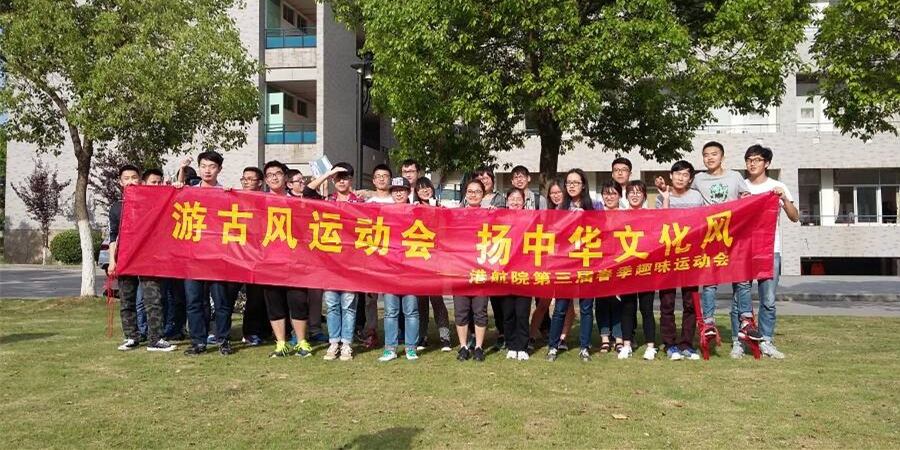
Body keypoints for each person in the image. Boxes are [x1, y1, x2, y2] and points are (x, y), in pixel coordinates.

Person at [691, 141, 760, 359]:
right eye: (706, 155)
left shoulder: (735, 177)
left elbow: (747, 200)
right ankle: (709, 322)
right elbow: (690, 203)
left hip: (735, 237)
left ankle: (746, 320)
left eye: (714, 154)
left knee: (742, 281)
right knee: (709, 282)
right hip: (711, 238)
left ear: (722, 157)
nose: (710, 158)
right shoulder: (698, 179)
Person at [108, 165, 176, 353]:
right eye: (126, 178)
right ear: (120, 182)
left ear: (140, 180)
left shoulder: (153, 203)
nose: (131, 181)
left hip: (148, 258)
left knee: (153, 299)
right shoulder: (116, 208)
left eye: (134, 177)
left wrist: (174, 186)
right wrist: (113, 261)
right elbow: (113, 236)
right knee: (127, 300)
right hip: (125, 258)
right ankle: (131, 336)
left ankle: (156, 339)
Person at [743, 145, 799, 359]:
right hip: (745, 250)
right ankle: (742, 339)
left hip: (770, 250)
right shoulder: (741, 186)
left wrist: (783, 198)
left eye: (757, 159)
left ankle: (766, 340)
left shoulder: (777, 186)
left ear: (766, 163)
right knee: (741, 299)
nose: (753, 163)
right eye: (749, 159)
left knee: (768, 299)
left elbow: (794, 217)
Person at [304, 163, 363, 361]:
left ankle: (346, 344)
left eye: (345, 177)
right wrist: (328, 173)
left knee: (348, 305)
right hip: (329, 264)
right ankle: (334, 342)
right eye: (337, 178)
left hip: (351, 263)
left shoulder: (360, 203)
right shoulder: (327, 201)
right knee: (331, 305)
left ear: (351, 179)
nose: (341, 181)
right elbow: (307, 192)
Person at [179, 151, 235, 356]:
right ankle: (198, 341)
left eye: (212, 166)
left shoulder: (225, 193)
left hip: (217, 257)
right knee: (194, 302)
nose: (207, 170)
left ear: (219, 169)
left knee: (221, 302)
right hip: (193, 257)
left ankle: (224, 339)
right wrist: (180, 174)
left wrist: (232, 196)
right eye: (203, 166)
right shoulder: (189, 192)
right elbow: (175, 200)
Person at [258, 160, 314, 358]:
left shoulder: (298, 201)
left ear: (285, 177)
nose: (274, 177)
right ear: (265, 180)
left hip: (295, 261)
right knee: (274, 303)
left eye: (278, 173)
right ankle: (281, 343)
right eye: (270, 175)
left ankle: (301, 342)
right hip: (269, 261)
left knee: (298, 301)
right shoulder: (258, 201)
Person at [547, 169, 602, 362]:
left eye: (575, 183)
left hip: (587, 262)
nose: (571, 186)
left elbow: (603, 231)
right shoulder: (560, 208)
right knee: (560, 307)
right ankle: (553, 346)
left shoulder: (595, 206)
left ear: (583, 185)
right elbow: (553, 235)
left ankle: (584, 347)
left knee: (586, 307)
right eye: (568, 183)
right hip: (565, 264)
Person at [654, 160, 705, 360]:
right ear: (671, 175)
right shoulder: (661, 196)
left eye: (685, 175)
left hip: (691, 256)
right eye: (677, 174)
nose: (680, 178)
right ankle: (670, 344)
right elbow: (661, 223)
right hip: (668, 256)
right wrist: (666, 198)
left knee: (690, 303)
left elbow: (704, 222)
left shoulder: (697, 197)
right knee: (667, 303)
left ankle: (686, 344)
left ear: (690, 179)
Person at [378, 177, 421, 362]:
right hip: (390, 269)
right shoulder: (384, 212)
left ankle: (411, 348)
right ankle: (390, 348)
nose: (398, 193)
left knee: (411, 311)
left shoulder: (417, 211)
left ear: (408, 192)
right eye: (395, 190)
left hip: (411, 269)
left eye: (402, 190)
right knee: (390, 312)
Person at [529, 178, 574, 350]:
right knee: (543, 303)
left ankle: (562, 338)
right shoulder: (546, 214)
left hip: (569, 263)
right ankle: (532, 336)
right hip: (550, 262)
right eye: (552, 193)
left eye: (558, 192)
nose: (556, 196)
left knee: (568, 305)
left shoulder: (572, 212)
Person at [618, 180, 657, 360]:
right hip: (626, 269)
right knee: (627, 308)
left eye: (638, 192)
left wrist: (665, 199)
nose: (635, 195)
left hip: (646, 269)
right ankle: (626, 345)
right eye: (631, 192)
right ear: (626, 196)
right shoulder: (621, 216)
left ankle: (650, 346)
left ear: (644, 196)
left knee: (647, 309)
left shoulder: (651, 215)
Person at [453, 179, 491, 362]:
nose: (473, 195)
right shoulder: (456, 215)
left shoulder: (490, 215)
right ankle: (463, 346)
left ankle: (479, 347)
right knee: (460, 310)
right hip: (460, 270)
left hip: (481, 269)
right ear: (465, 193)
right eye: (470, 191)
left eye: (477, 192)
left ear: (483, 195)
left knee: (480, 310)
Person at [358, 164, 395, 349]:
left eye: (385, 176)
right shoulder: (366, 202)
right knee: (370, 299)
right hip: (372, 255)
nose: (381, 179)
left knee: (391, 298)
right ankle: (371, 331)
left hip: (392, 256)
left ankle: (392, 334)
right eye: (378, 176)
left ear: (390, 179)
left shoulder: (398, 200)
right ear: (373, 180)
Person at [413, 177, 452, 351]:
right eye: (420, 188)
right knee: (421, 302)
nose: (425, 190)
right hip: (418, 260)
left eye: (427, 187)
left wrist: (438, 209)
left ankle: (445, 337)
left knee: (437, 300)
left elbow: (449, 226)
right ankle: (422, 337)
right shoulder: (413, 208)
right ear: (416, 192)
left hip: (436, 261)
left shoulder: (441, 207)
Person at [594, 180, 625, 356]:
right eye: (606, 193)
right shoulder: (596, 214)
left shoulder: (626, 214)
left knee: (618, 301)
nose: (610, 197)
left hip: (621, 262)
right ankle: (605, 338)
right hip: (600, 262)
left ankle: (619, 338)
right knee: (602, 301)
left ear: (619, 195)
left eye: (613, 193)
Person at [501, 187, 532, 360]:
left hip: (524, 272)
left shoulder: (531, 218)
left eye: (518, 199)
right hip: (505, 273)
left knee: (522, 312)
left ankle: (523, 346)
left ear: (524, 202)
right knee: (508, 313)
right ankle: (511, 344)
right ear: (507, 202)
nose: (515, 202)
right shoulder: (500, 218)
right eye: (512, 199)